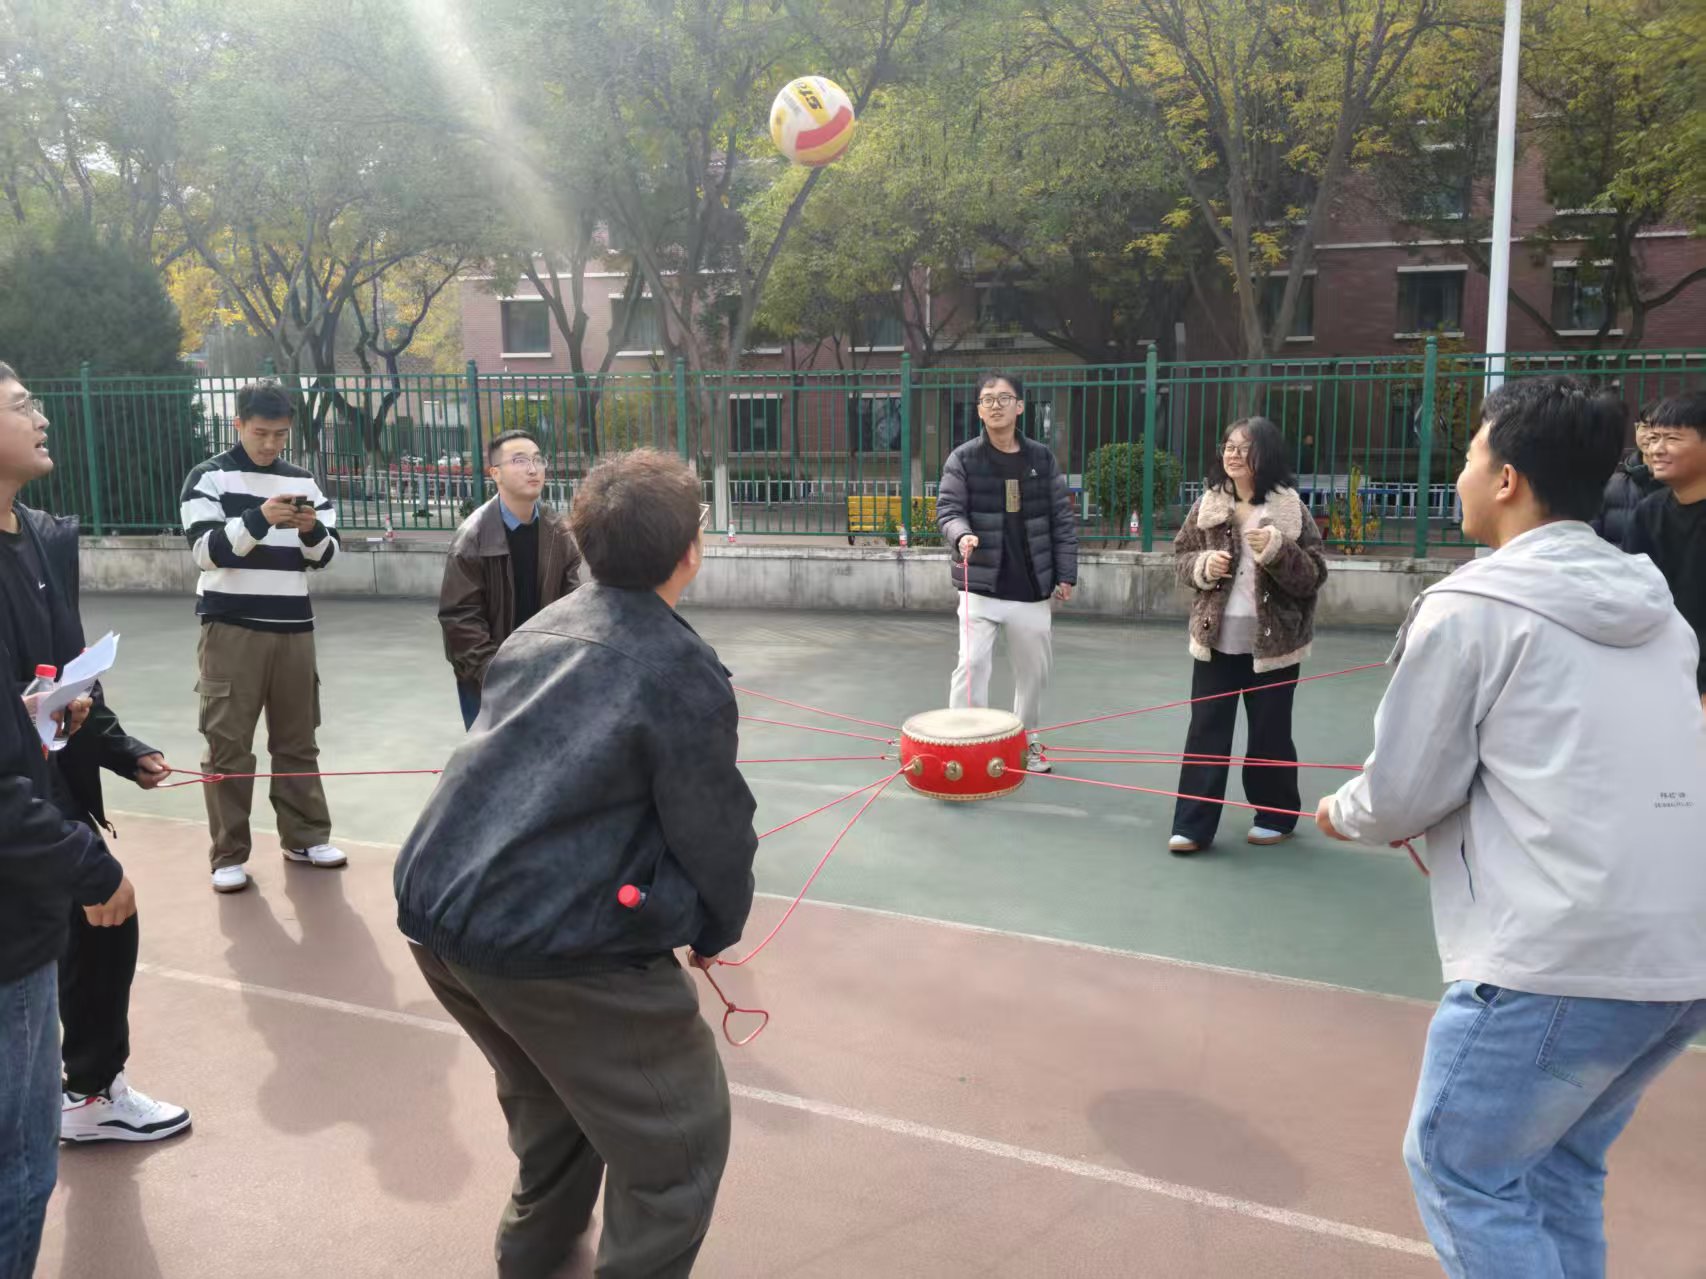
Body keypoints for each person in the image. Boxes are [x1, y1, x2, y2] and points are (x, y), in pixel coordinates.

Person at [1315, 375, 1706, 1279]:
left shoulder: (1471, 607)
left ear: (1506, 479)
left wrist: (1346, 811)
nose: (1457, 475)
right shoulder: (1654, 607)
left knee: (1458, 1167)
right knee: (1558, 1166)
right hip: (1678, 956)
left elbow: (1403, 791)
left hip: (1559, 957)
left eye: (1467, 455)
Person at [395, 449, 757, 1279]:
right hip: (551, 939)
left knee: (555, 1108)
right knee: (679, 1144)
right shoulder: (681, 667)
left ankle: (531, 1257)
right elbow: (713, 825)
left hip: (438, 908)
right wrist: (715, 927)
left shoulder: (540, 628)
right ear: (690, 551)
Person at [0, 363, 189, 1144]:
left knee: (100, 922)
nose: (41, 417)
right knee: (86, 918)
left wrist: (121, 750)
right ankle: (77, 1095)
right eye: (21, 406)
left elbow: (69, 674)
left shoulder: (44, 540)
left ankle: (87, 1088)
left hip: (45, 779)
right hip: (15, 797)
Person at [178, 380, 343, 894]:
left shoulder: (303, 481)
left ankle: (306, 837)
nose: (271, 444)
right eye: (261, 433)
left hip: (294, 629)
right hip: (230, 629)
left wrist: (311, 529)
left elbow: (328, 555)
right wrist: (258, 519)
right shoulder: (208, 477)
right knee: (227, 744)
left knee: (298, 739)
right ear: (238, 425)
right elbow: (205, 552)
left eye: (280, 434)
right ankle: (228, 855)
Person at [1168, 416, 1327, 854]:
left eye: (1244, 447)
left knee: (1270, 733)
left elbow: (1314, 575)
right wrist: (1203, 566)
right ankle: (1192, 826)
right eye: (1229, 446)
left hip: (1274, 644)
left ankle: (1275, 816)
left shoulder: (1290, 508)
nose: (1233, 455)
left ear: (1266, 454)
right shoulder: (1208, 504)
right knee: (1206, 732)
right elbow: (1181, 557)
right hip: (1215, 639)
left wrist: (1278, 551)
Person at [936, 371, 1078, 771]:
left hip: (1030, 590)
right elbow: (948, 510)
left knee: (1033, 674)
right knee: (971, 666)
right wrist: (961, 534)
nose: (995, 405)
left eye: (1003, 398)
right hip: (979, 586)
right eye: (987, 399)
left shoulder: (1041, 459)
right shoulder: (963, 459)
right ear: (979, 411)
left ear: (1020, 407)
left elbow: (1061, 520)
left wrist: (1066, 574)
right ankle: (963, 747)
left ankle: (1025, 743)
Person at [437, 430, 580, 729]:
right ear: (495, 474)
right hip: (487, 683)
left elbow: (573, 606)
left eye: (538, 459)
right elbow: (460, 620)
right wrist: (499, 677)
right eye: (520, 460)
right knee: (493, 756)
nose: (533, 468)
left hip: (545, 676)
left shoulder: (558, 532)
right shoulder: (471, 539)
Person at [1623, 389, 1706, 714]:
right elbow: (1636, 598)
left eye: (1672, 438)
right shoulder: (1648, 512)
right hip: (1664, 675)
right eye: (1654, 437)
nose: (1657, 449)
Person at [1590, 416, 1661, 545]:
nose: (1650, 435)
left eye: (1660, 428)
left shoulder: (1685, 486)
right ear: (1636, 428)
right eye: (1645, 426)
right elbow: (1590, 538)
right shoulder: (1609, 484)